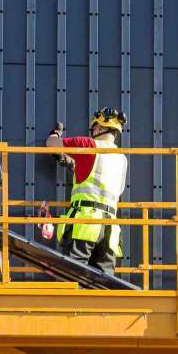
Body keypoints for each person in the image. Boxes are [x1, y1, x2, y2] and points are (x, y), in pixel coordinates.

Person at [45, 108, 129, 277]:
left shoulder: (88, 145)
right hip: (109, 230)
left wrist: (54, 133)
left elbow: (51, 145)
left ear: (98, 128)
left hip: (85, 225)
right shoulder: (121, 159)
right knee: (103, 285)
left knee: (72, 279)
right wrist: (71, 163)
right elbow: (100, 180)